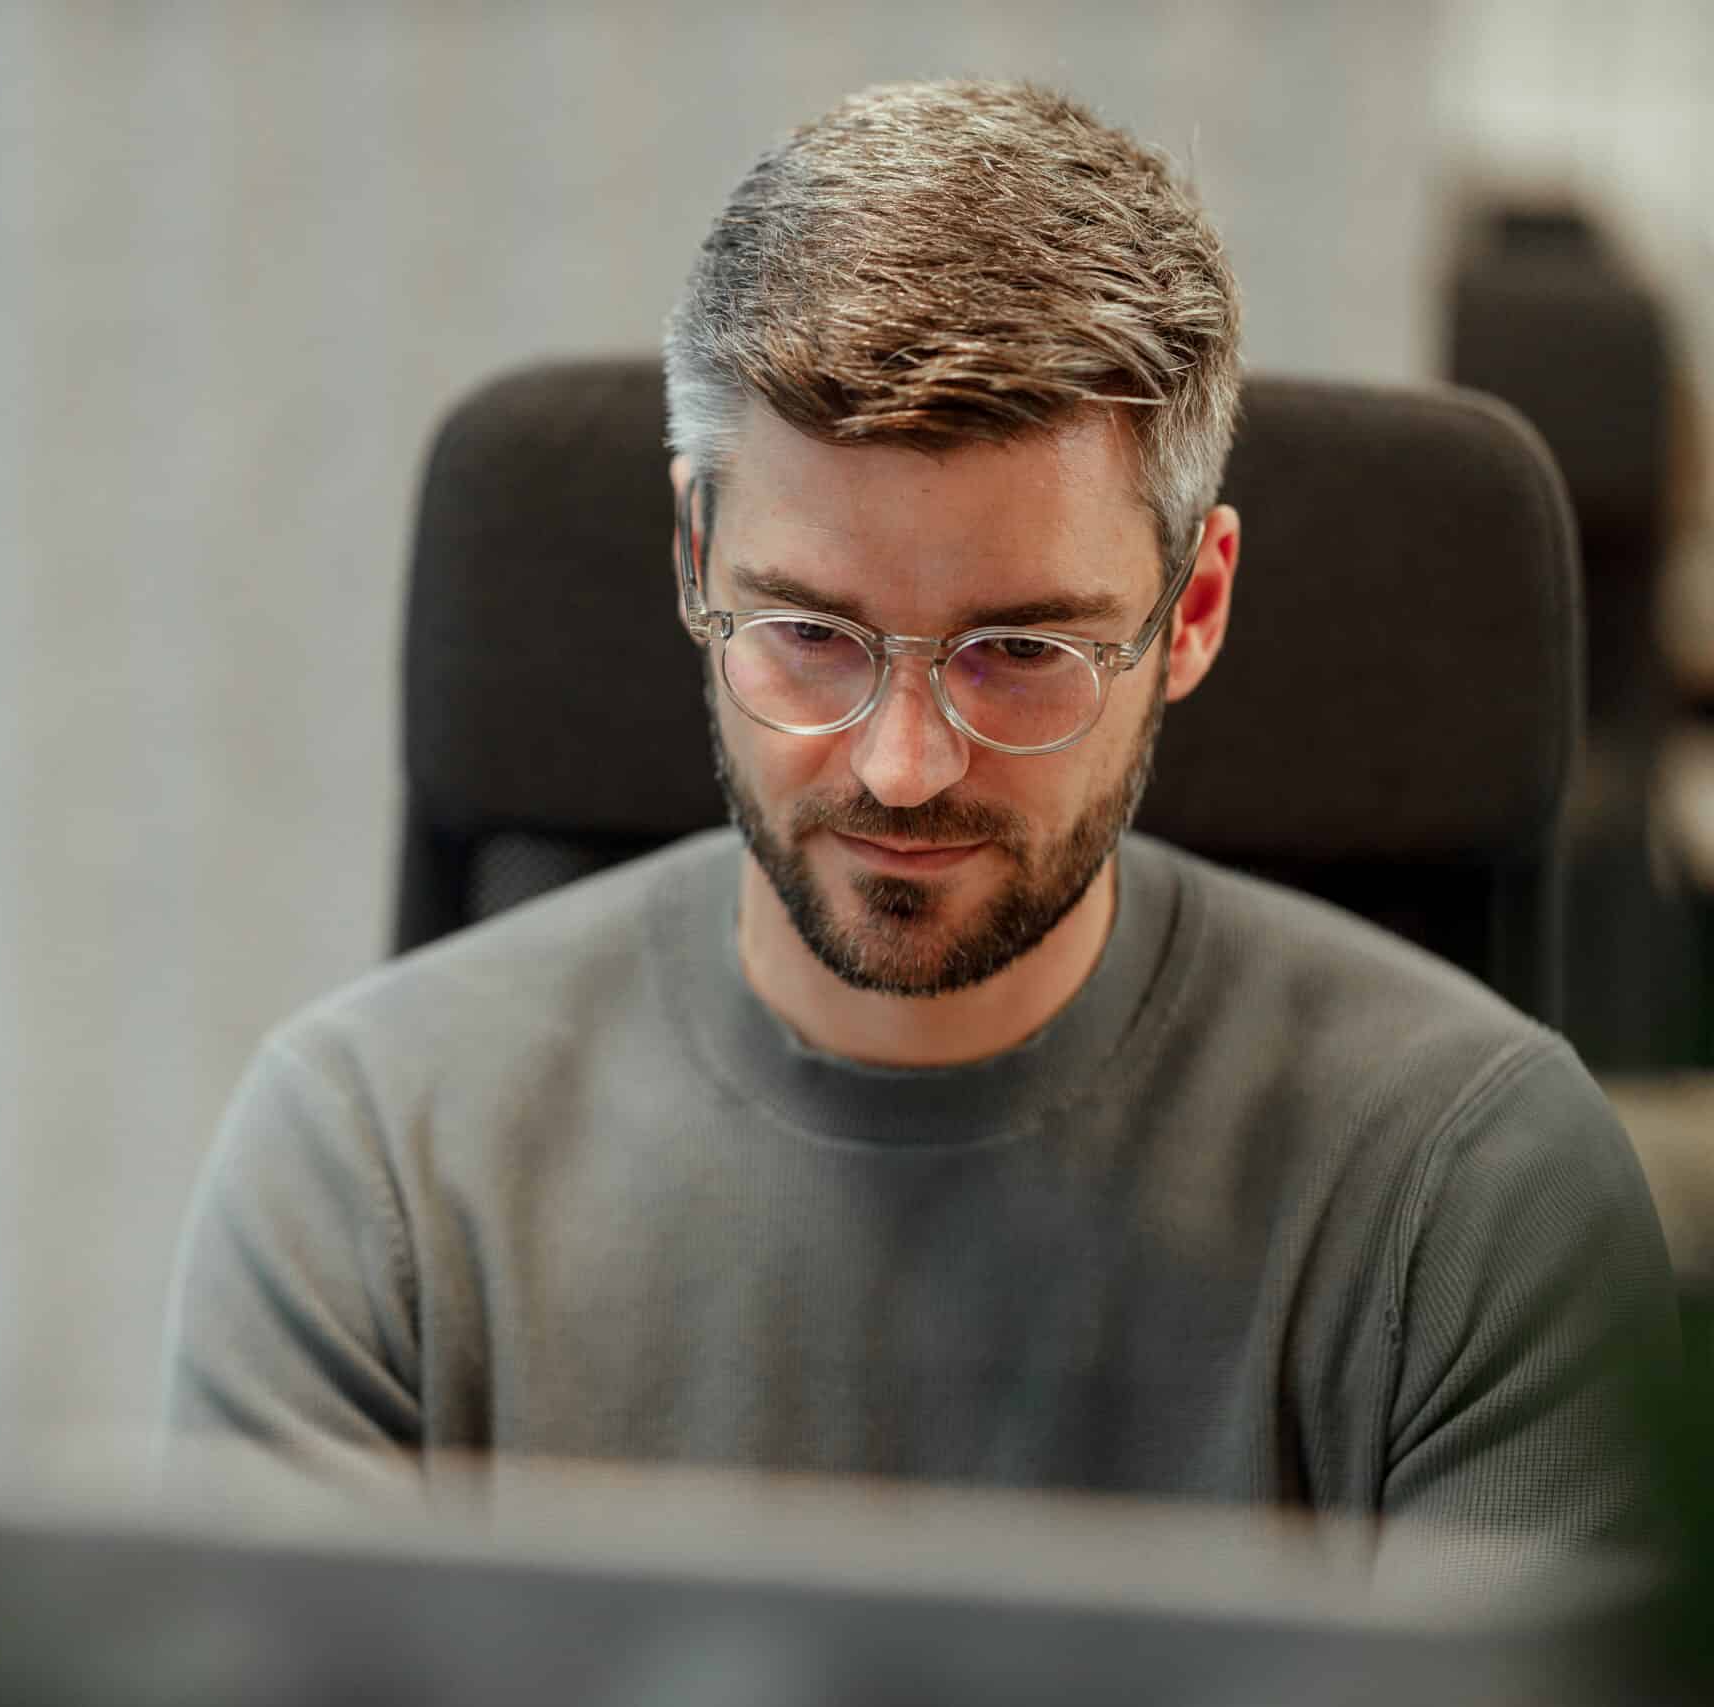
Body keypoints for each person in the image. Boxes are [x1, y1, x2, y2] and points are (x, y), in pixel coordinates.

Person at [162, 80, 1676, 1571]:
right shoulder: (366, 1166)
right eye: (811, 632)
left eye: (1020, 653)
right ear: (698, 555)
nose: (897, 765)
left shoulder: (1470, 1195)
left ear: (1193, 606)